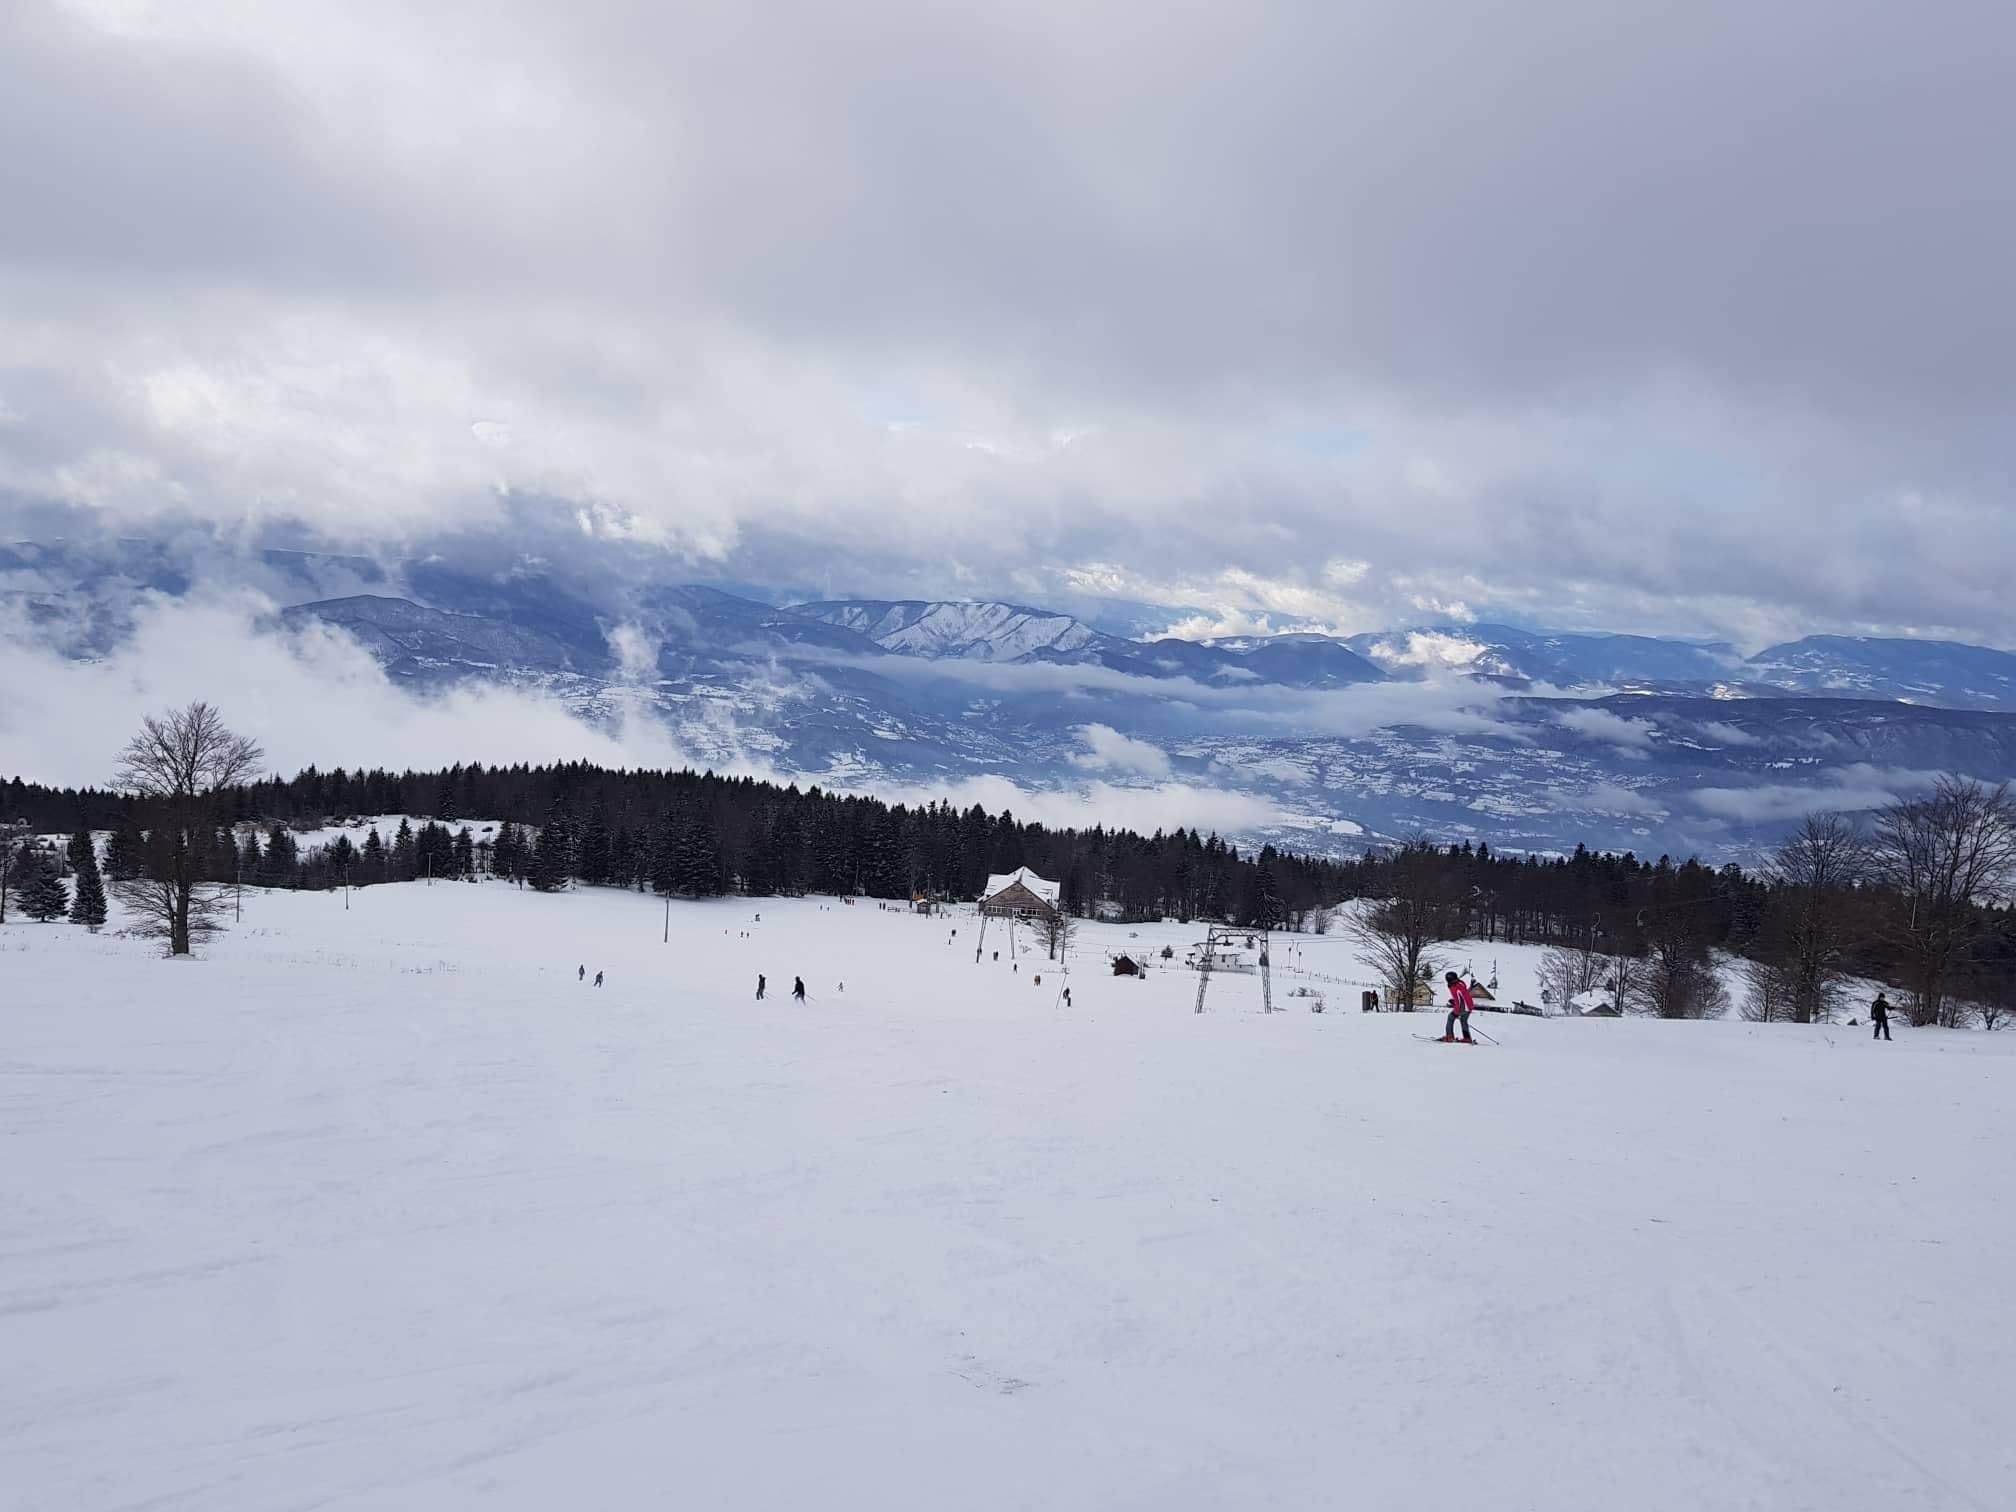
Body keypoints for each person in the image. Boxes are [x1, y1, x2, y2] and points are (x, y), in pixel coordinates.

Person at [1440, 971, 1475, 1044]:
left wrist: (1456, 1012)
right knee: (1463, 1020)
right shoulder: (1459, 984)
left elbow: (1460, 1001)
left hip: (1464, 1007)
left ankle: (1449, 1036)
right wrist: (1453, 1001)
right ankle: (1467, 1038)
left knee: (1450, 1017)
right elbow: (1462, 997)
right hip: (1469, 1006)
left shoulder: (1455, 987)